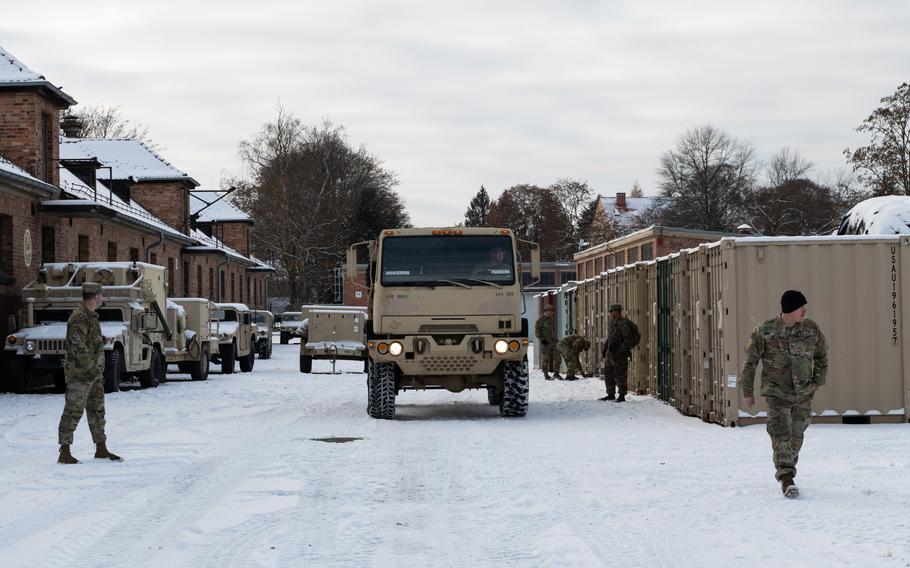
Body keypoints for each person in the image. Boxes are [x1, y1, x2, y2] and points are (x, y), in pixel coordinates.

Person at [740, 290, 827, 498]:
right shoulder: (764, 331)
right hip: (776, 393)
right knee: (781, 434)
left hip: (804, 394)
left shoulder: (811, 329)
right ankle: (786, 477)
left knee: (796, 435)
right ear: (789, 310)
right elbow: (750, 362)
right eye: (801, 308)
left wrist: (817, 382)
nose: (805, 311)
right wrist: (747, 391)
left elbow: (822, 355)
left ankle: (787, 466)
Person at [57, 282, 121, 464]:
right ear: (95, 297)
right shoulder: (79, 317)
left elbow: (85, 340)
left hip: (93, 375)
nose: (102, 298)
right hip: (80, 375)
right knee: (73, 412)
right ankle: (65, 452)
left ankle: (101, 448)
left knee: (97, 410)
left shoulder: (91, 316)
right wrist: (91, 366)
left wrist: (98, 341)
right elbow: (77, 346)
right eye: (100, 295)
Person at [600, 304, 641, 403]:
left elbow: (628, 340)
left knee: (620, 374)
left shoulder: (624, 324)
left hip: (619, 354)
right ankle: (610, 394)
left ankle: (622, 395)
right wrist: (605, 349)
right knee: (608, 373)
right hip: (610, 353)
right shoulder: (612, 323)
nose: (610, 313)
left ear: (617, 312)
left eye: (612, 311)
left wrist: (619, 350)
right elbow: (610, 337)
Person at [534, 305, 562, 380]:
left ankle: (556, 374)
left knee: (558, 359)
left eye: (551, 312)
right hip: (545, 343)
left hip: (553, 342)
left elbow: (553, 331)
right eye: (550, 311)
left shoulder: (551, 319)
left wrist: (556, 339)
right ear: (545, 311)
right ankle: (546, 375)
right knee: (546, 359)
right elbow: (537, 332)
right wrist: (542, 339)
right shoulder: (540, 320)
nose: (551, 313)